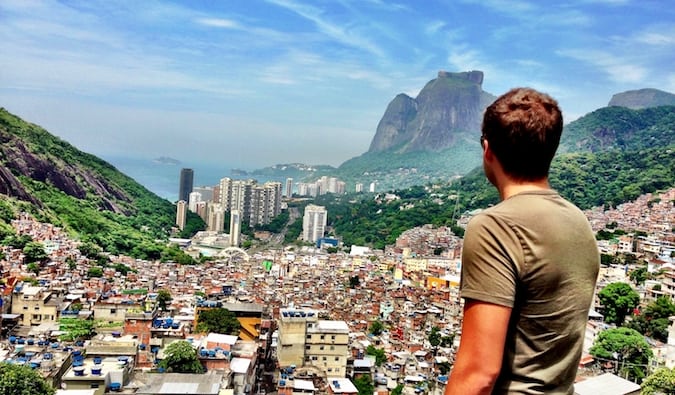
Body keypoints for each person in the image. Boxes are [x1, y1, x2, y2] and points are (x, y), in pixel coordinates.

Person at [445, 88, 600, 394]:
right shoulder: (578, 220)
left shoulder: (493, 227)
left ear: (487, 150)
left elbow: (479, 373)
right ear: (551, 151)